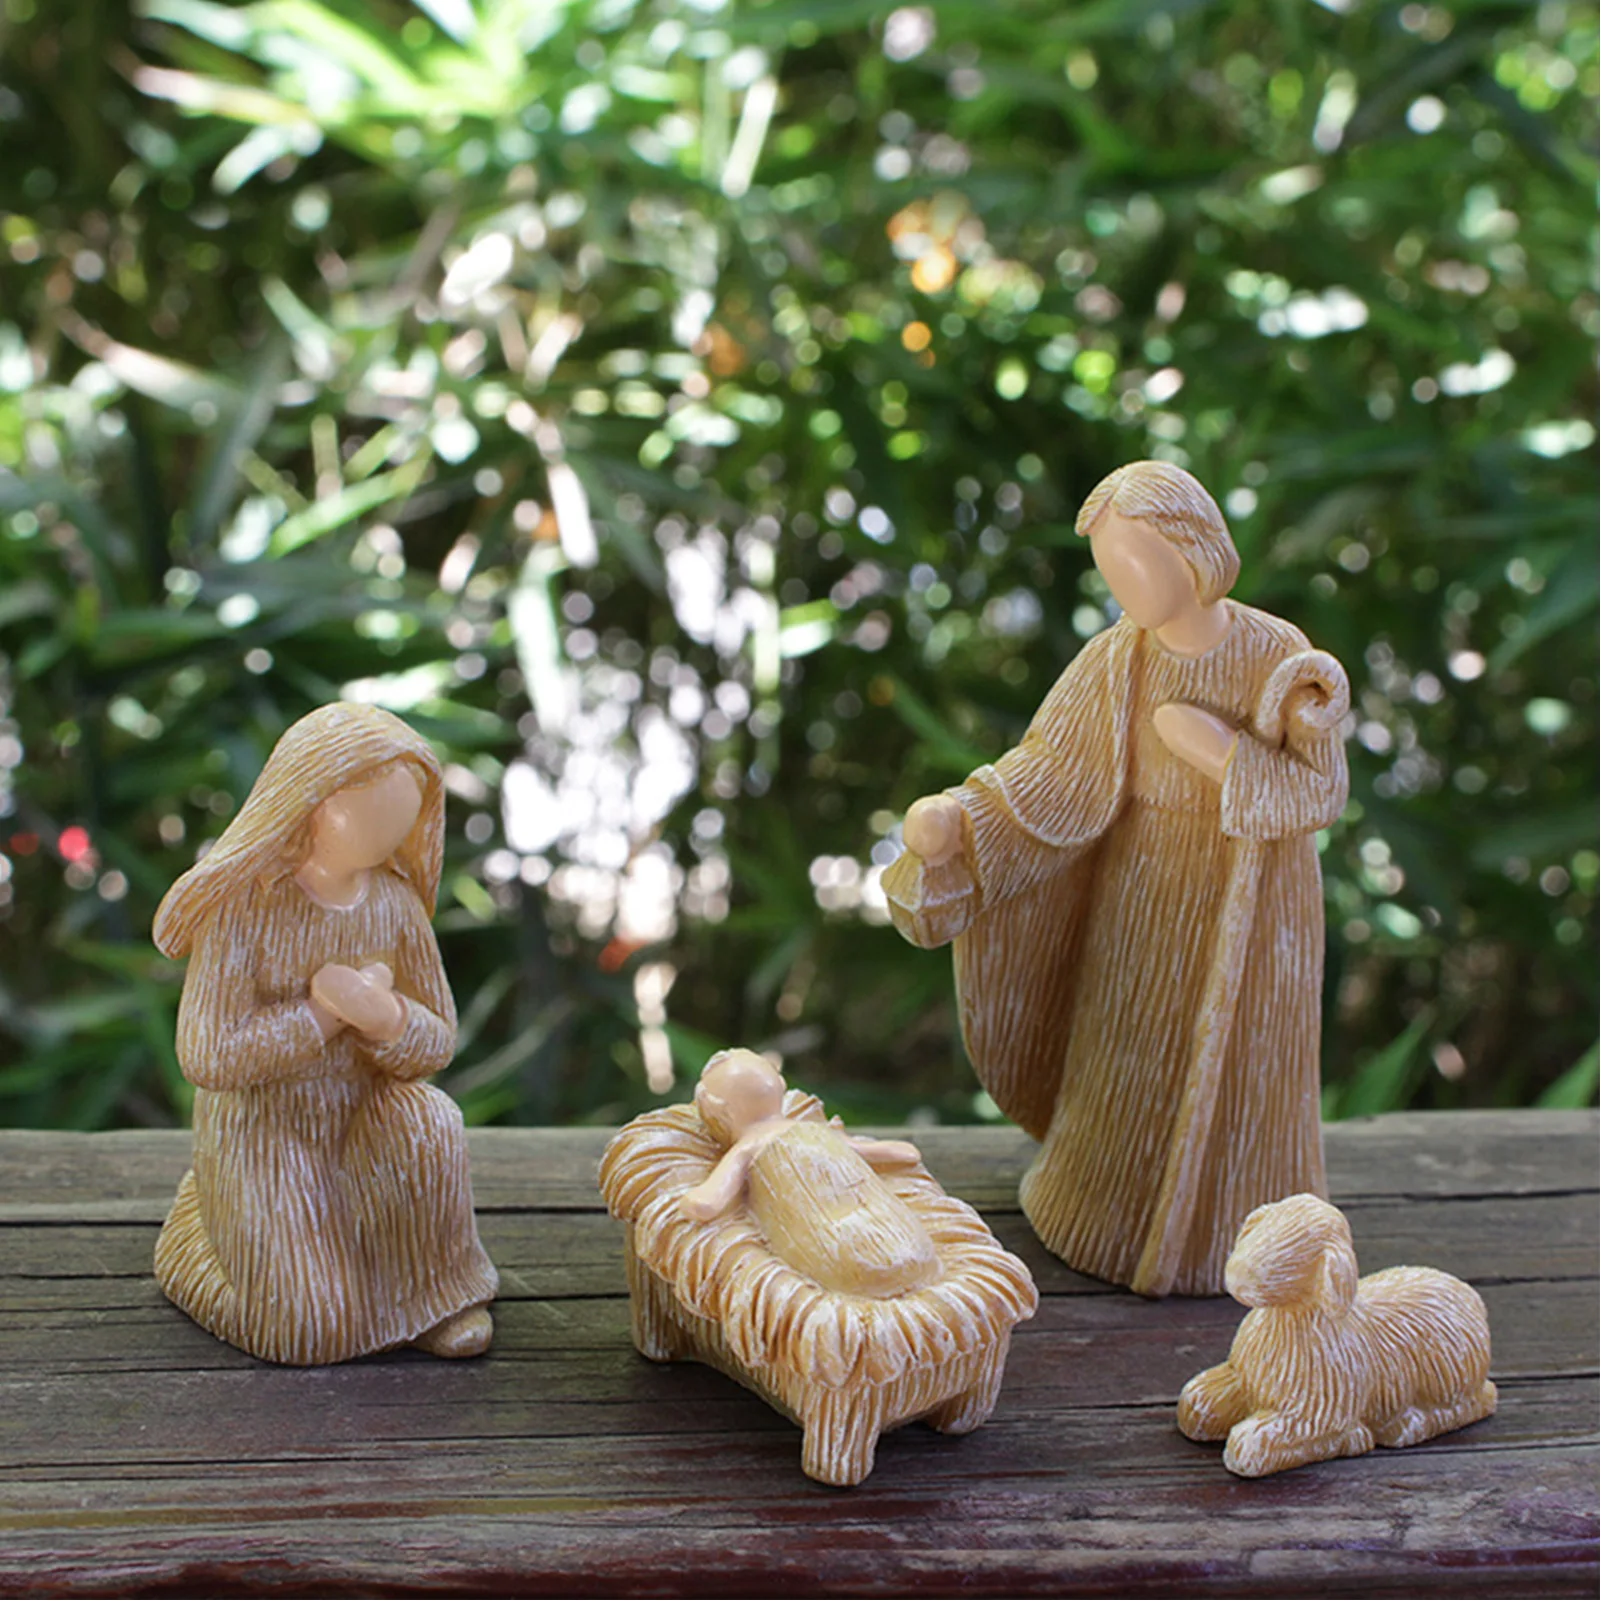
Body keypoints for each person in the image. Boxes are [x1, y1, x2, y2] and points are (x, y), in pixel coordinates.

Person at [883, 461, 1349, 1296]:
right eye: (1110, 571)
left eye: (1134, 564)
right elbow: (1049, 770)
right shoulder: (1117, 660)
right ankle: (1097, 1209)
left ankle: (1249, 1240)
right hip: (1142, 886)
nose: (1121, 587)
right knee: (1128, 1038)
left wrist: (1228, 759)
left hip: (1255, 904)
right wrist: (963, 820)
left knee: (1247, 1071)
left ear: (1190, 551)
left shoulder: (1278, 654)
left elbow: (1320, 790)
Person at [151, 702, 498, 1363]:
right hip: (265, 1128)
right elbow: (206, 1052)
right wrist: (318, 1017)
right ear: (308, 803)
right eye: (369, 818)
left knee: (431, 1119)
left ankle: (430, 1296)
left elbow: (438, 1039)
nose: (385, 837)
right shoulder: (244, 904)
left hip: (363, 1109)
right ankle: (196, 1244)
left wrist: (386, 1017)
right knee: (312, 1327)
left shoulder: (394, 902)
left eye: (399, 822)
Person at [680, 1049, 937, 1298]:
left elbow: (705, 1205)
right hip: (908, 1241)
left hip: (844, 1258)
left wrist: (684, 1197)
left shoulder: (747, 1149)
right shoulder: (819, 1131)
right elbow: (906, 1153)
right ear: (781, 1087)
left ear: (719, 1111)